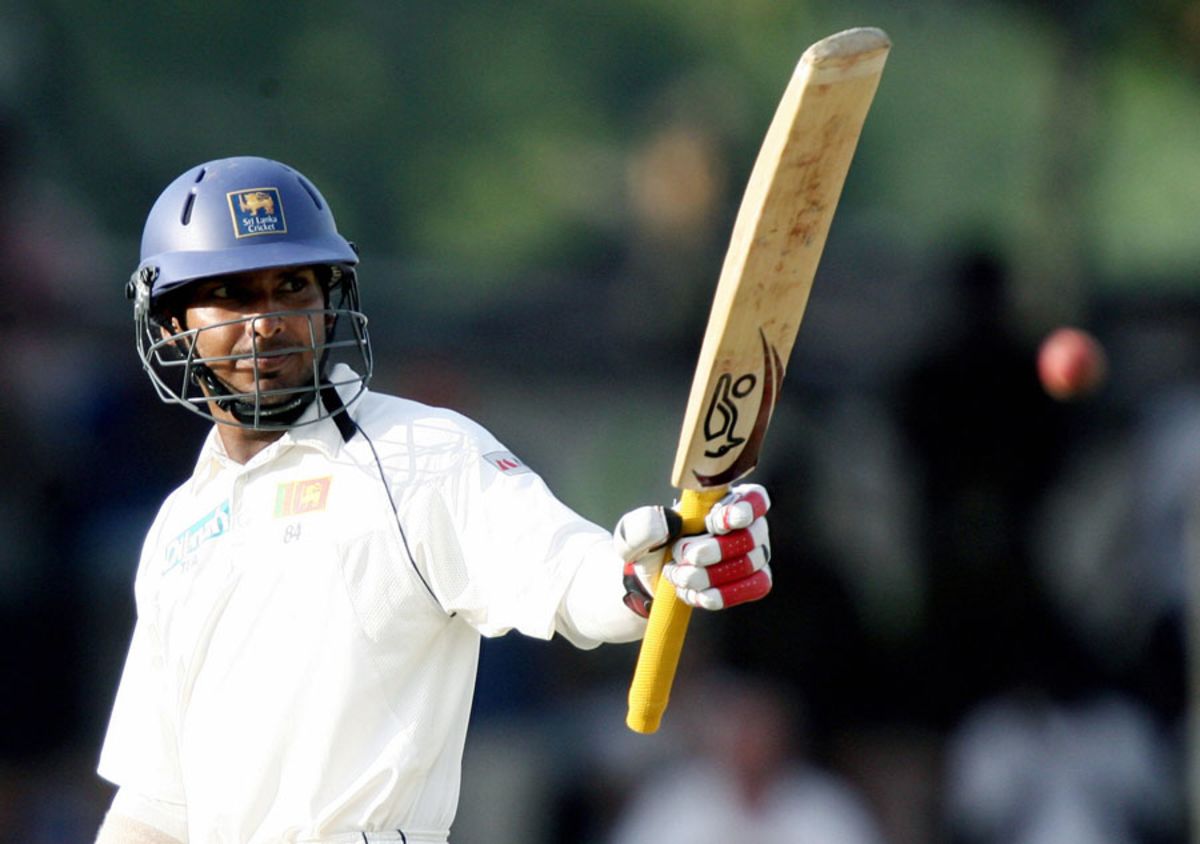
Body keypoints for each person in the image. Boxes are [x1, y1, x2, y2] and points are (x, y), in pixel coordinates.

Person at [94, 156, 774, 844]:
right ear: (172, 316)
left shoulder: (422, 456)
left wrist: (645, 577)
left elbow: (568, 574)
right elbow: (154, 806)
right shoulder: (177, 528)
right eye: (234, 295)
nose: (267, 322)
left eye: (292, 286)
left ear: (328, 299)